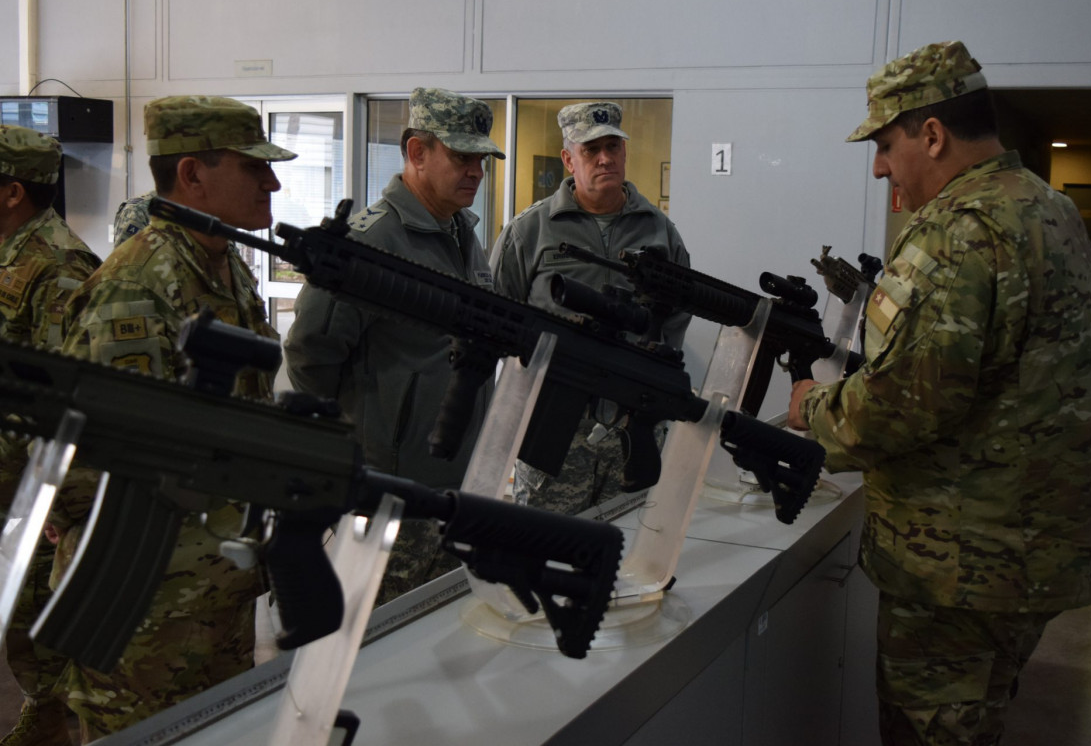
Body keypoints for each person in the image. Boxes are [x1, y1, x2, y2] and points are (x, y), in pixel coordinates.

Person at [787, 41, 1091, 746]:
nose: (878, 166)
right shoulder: (1052, 210)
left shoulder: (958, 234)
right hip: (1034, 551)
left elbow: (901, 406)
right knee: (980, 714)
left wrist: (811, 406)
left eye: (883, 143)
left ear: (931, 134)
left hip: (958, 566)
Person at [49, 95, 296, 741]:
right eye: (254, 168)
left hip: (217, 584)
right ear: (192, 174)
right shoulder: (137, 284)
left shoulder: (228, 270)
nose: (272, 182)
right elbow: (93, 452)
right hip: (145, 600)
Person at [284, 87, 503, 603]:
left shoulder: (461, 234)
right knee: (376, 637)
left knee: (438, 627)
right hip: (387, 494)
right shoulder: (371, 242)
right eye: (461, 156)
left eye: (481, 159)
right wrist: (356, 455)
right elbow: (309, 355)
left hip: (453, 481)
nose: (475, 170)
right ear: (416, 153)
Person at [490, 101, 690, 515]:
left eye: (613, 147)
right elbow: (498, 316)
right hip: (556, 424)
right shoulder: (530, 230)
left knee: (631, 545)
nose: (605, 158)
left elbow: (677, 315)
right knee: (545, 549)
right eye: (590, 149)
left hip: (633, 423)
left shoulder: (659, 229)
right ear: (568, 159)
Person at [0, 125, 101, 746]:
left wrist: (55, 499)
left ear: (13, 192)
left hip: (36, 495)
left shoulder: (60, 269)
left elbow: (69, 398)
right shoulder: (11, 253)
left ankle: (49, 724)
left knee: (35, 628)